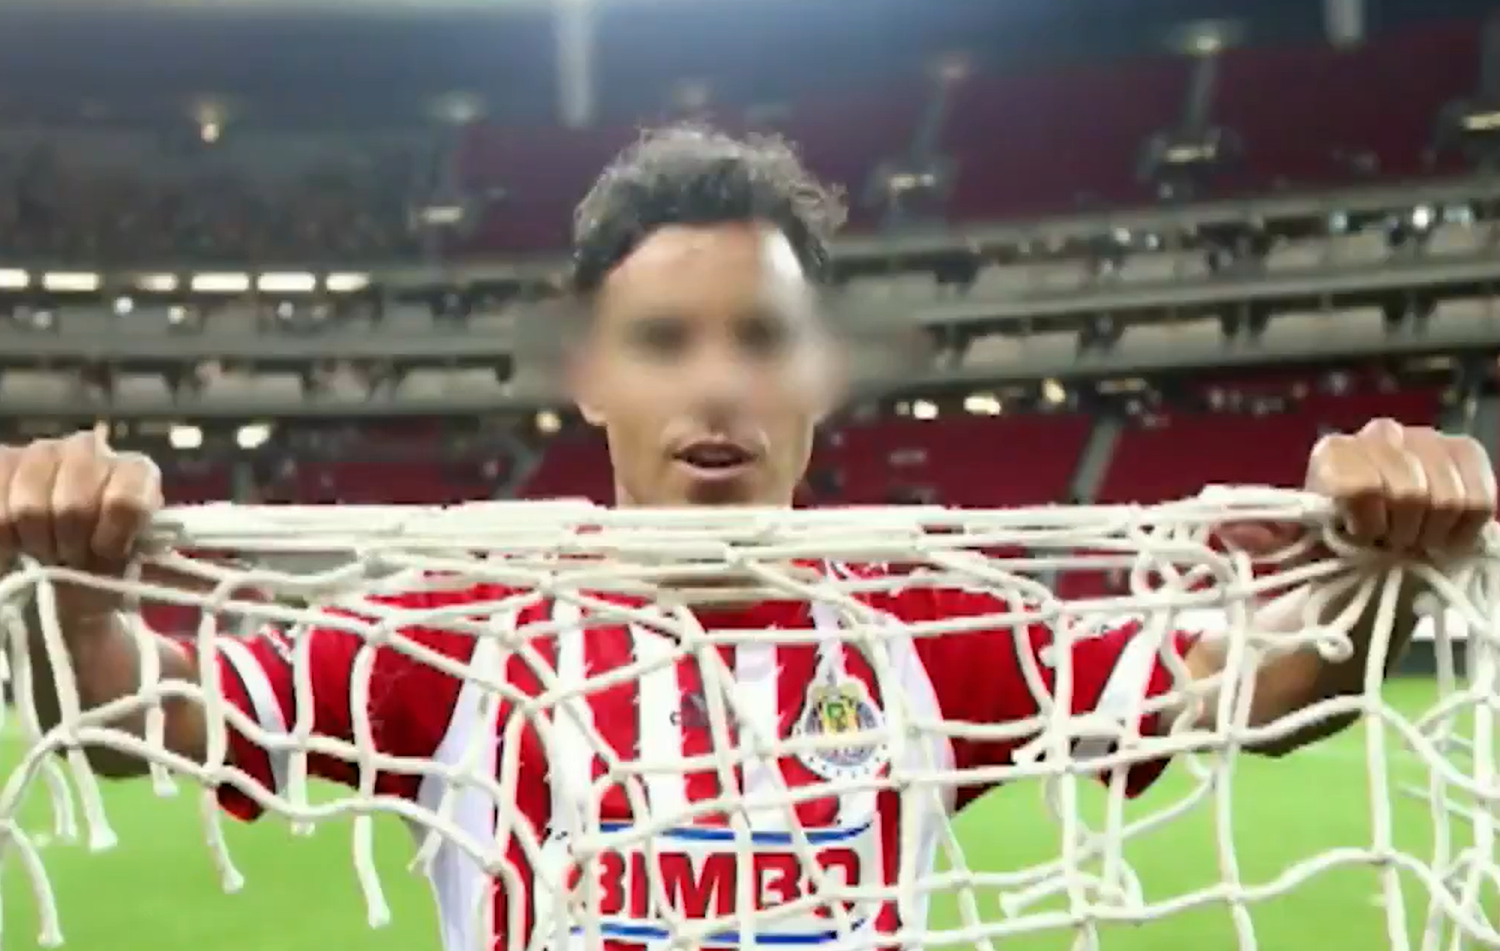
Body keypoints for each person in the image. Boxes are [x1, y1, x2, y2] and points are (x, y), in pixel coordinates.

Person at [0, 126, 1494, 951]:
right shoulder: (462, 627)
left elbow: (1237, 684)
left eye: (762, 339)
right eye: (663, 341)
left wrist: (1371, 562)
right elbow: (153, 716)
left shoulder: (921, 623)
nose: (716, 386)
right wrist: (73, 591)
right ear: (593, 376)